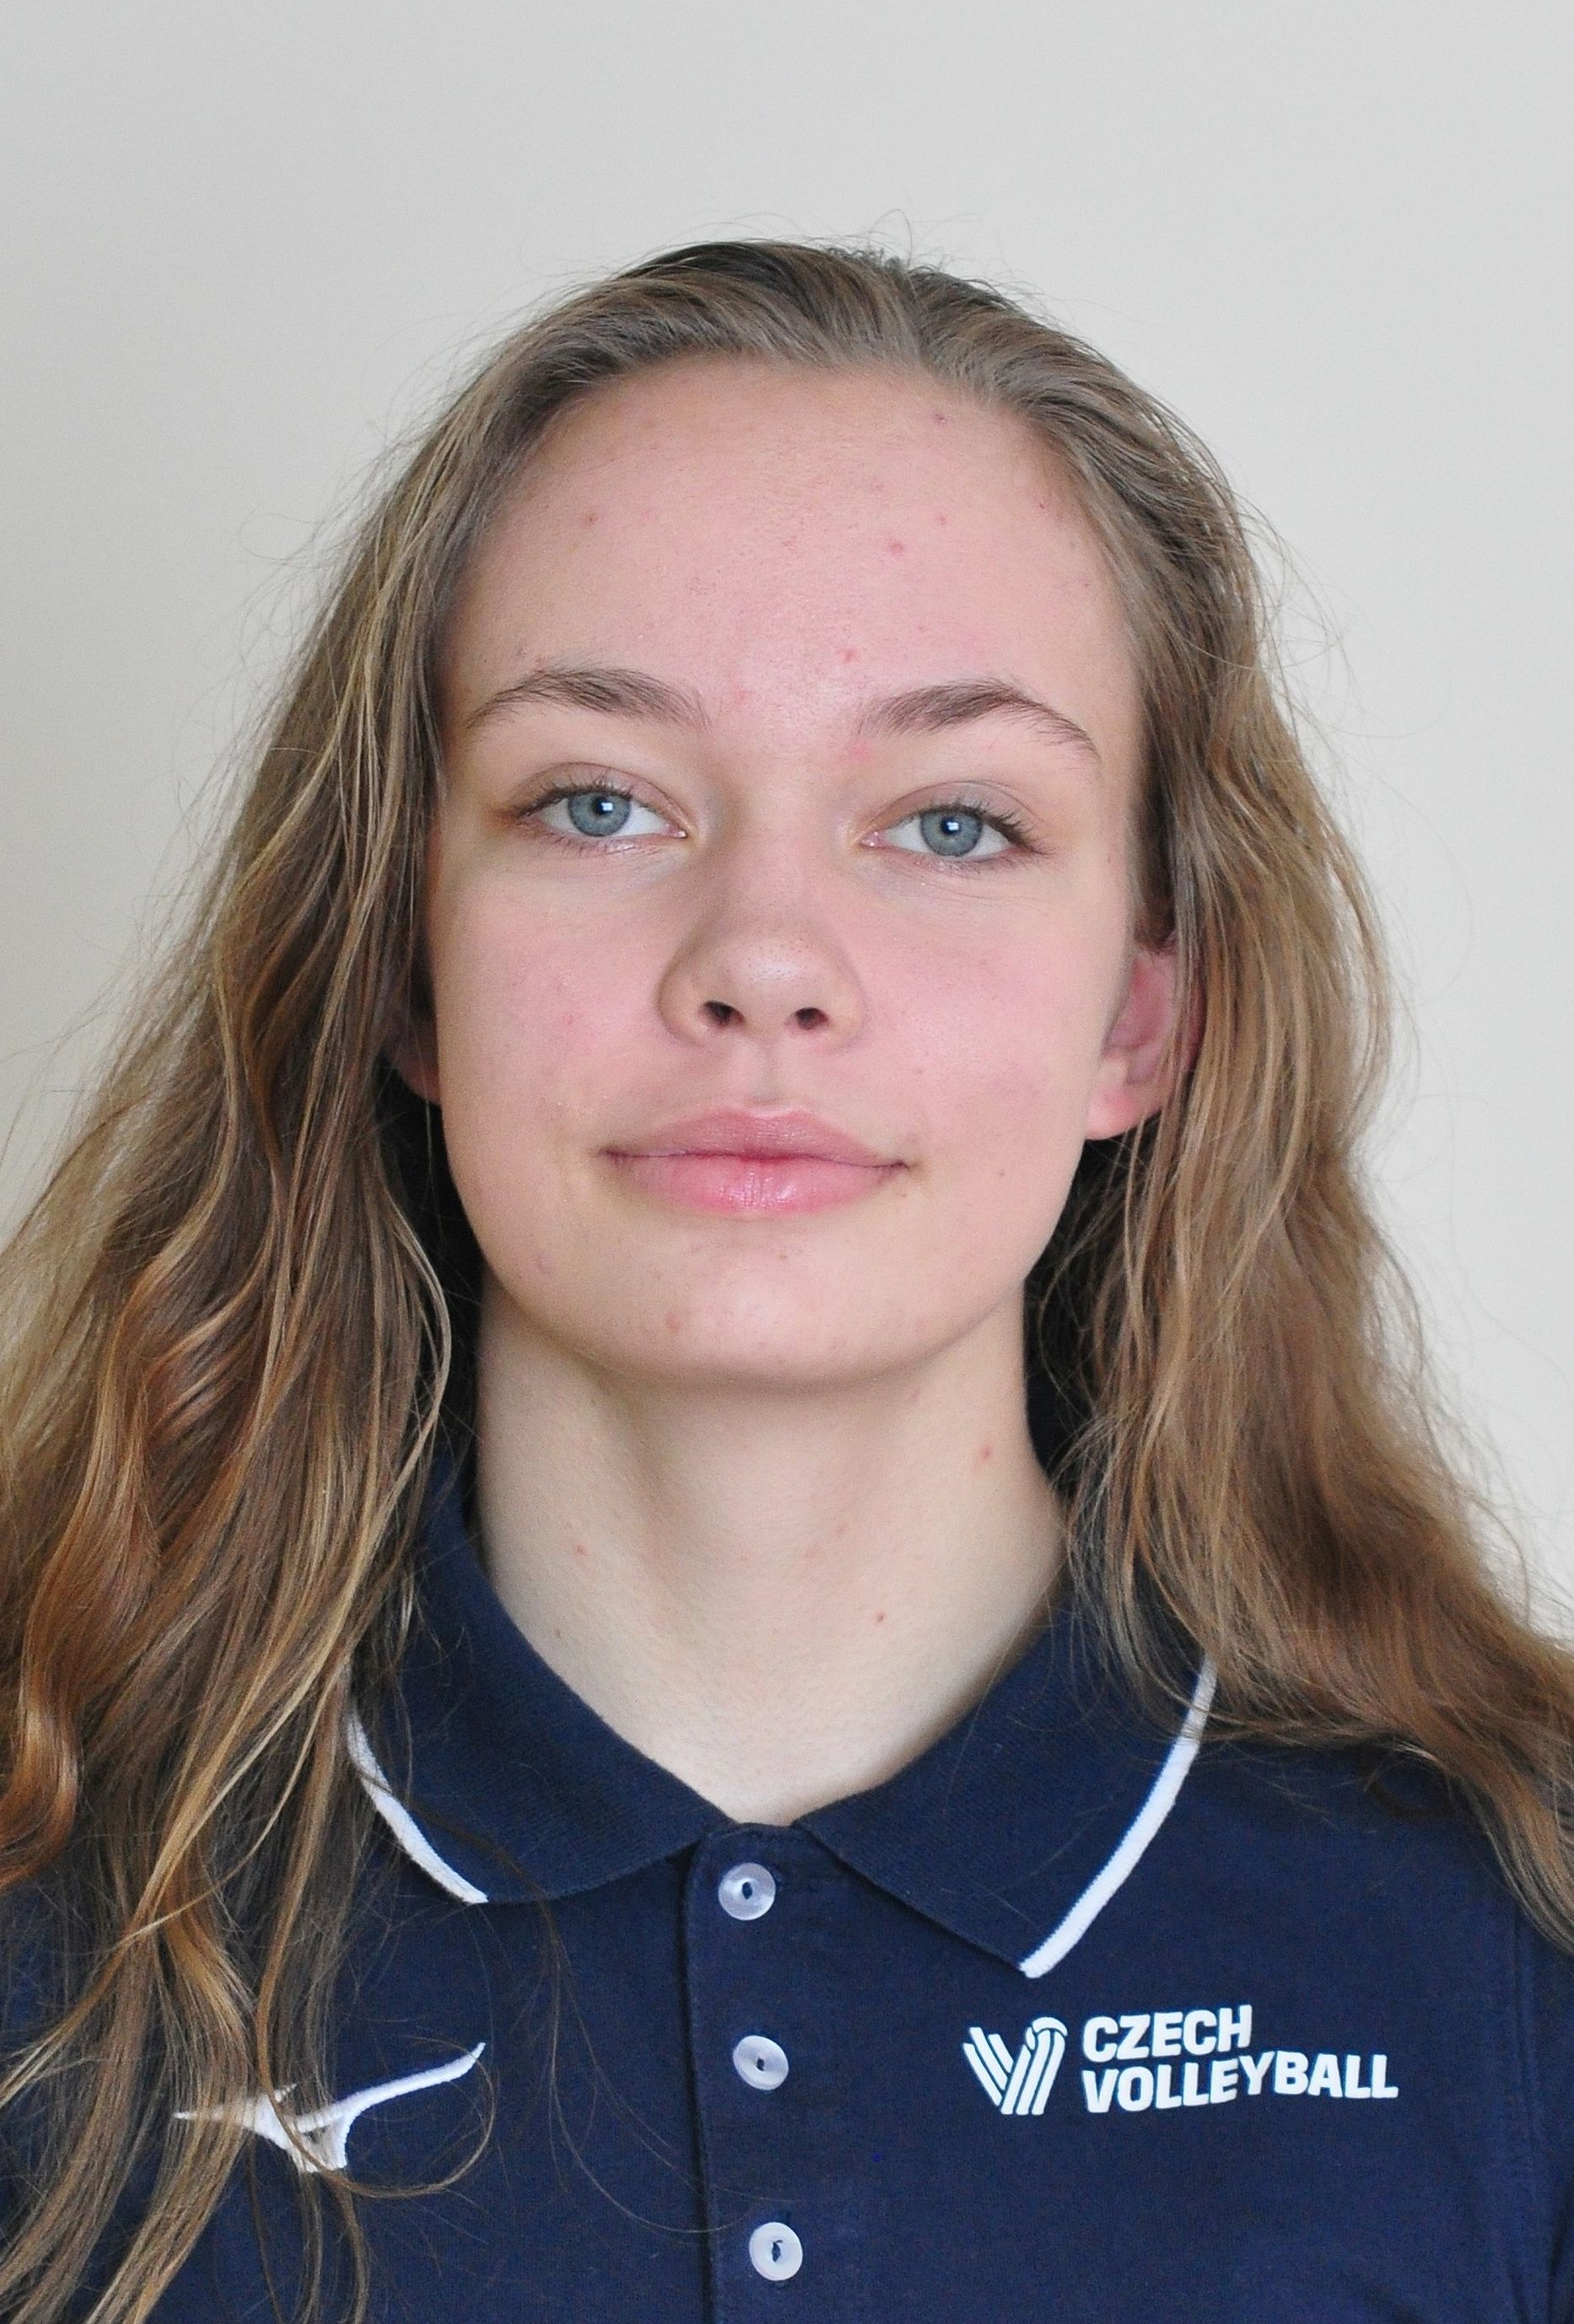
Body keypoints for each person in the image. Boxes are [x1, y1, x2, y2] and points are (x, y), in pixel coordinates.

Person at [2, 236, 1571, 2324]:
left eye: (951, 822)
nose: (761, 956)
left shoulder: (1516, 1936)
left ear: (1146, 1009)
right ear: (403, 963)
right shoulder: (47, 1925)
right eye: (598, 799)